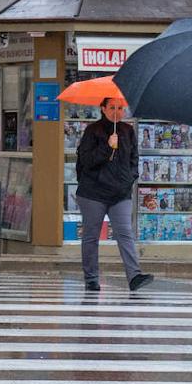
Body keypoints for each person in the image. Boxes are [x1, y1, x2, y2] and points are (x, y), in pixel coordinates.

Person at [74, 98, 153, 292]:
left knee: (125, 233)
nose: (117, 112)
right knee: (91, 236)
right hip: (94, 193)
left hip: (120, 193)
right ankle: (91, 278)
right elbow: (86, 160)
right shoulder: (93, 131)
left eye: (120, 108)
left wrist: (129, 179)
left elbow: (134, 160)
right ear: (103, 109)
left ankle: (134, 276)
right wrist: (108, 147)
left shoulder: (128, 131)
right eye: (112, 108)